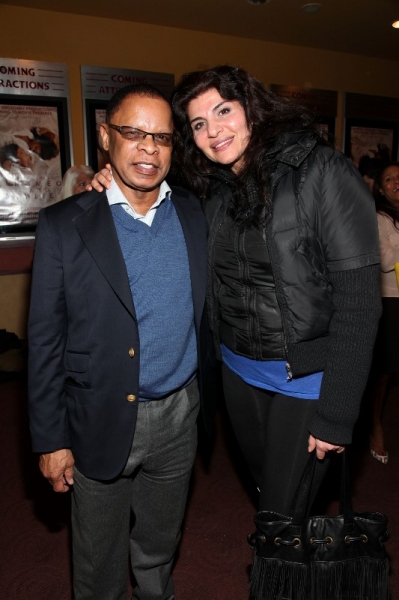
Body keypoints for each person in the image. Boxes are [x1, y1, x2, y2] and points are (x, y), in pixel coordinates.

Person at [91, 65, 382, 518]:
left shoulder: (323, 170)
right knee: (270, 497)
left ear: (252, 109)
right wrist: (112, 187)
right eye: (199, 123)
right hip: (238, 374)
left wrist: (339, 412)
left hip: (305, 379)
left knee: (281, 516)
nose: (214, 130)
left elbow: (360, 302)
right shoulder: (214, 188)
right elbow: (155, 200)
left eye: (223, 110)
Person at [28, 83, 216, 600]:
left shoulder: (196, 215)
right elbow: (44, 341)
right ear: (105, 136)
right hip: (99, 415)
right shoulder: (65, 224)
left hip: (180, 416)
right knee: (98, 560)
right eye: (134, 133)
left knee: (159, 546)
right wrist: (50, 438)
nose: (149, 149)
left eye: (162, 137)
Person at [369, 162, 399, 464]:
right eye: (389, 179)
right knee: (385, 371)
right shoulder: (378, 217)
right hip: (391, 299)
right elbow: (385, 259)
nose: (396, 183)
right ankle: (374, 425)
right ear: (380, 187)